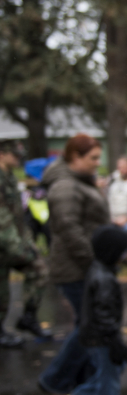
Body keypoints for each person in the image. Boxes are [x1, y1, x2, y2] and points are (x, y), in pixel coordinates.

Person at [38, 134, 110, 395]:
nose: (97, 163)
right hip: (76, 268)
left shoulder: (76, 182)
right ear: (75, 157)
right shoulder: (66, 187)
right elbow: (69, 230)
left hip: (82, 265)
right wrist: (93, 261)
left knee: (88, 324)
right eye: (92, 158)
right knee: (89, 327)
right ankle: (55, 379)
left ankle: (81, 380)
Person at [63, 225, 127, 395]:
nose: (126, 254)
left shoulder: (99, 270)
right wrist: (115, 342)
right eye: (123, 250)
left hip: (95, 336)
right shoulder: (104, 279)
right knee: (109, 378)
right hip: (102, 338)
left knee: (111, 371)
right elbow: (104, 315)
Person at [0, 140, 49, 346]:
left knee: (40, 271)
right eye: (15, 155)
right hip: (5, 242)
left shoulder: (10, 177)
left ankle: (28, 317)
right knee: (1, 291)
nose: (18, 159)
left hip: (14, 240)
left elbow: (17, 214)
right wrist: (16, 246)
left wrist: (28, 242)